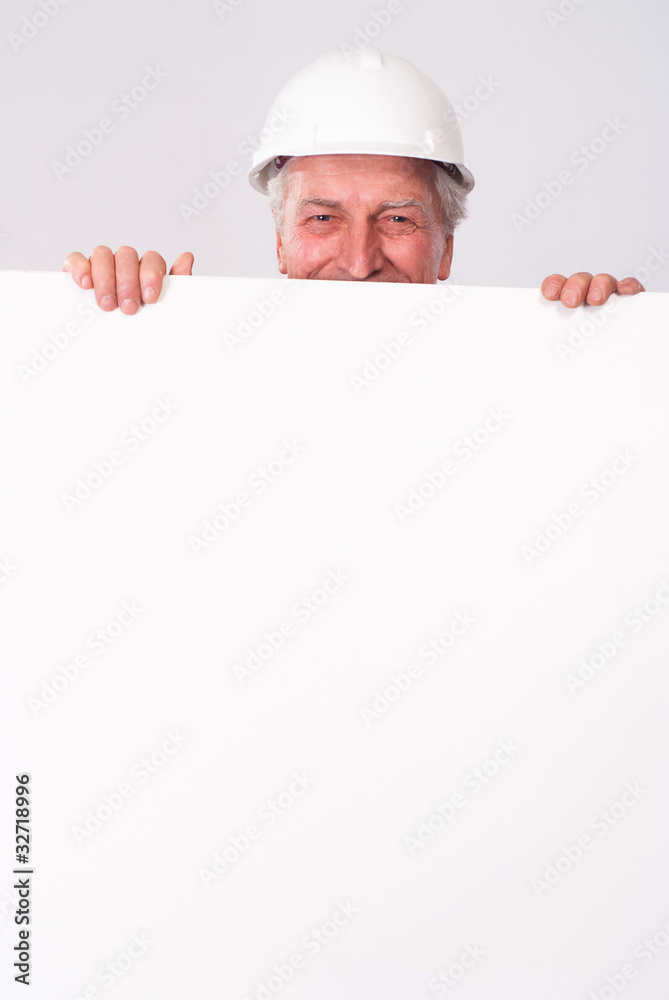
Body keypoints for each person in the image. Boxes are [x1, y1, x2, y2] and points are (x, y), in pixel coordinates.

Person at [62, 48, 644, 313]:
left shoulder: (509, 393)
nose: (360, 262)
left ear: (445, 249)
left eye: (398, 219)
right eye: (322, 217)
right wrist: (133, 331)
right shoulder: (208, 379)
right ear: (281, 244)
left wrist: (615, 350)